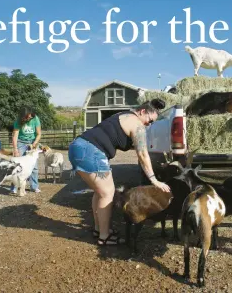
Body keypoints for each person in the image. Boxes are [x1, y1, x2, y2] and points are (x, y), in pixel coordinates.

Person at [68, 99, 171, 246]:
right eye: (149, 120)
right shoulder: (137, 125)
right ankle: (104, 236)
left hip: (78, 147)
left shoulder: (123, 115)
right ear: (142, 112)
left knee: (100, 192)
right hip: (91, 151)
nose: (149, 124)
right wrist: (154, 179)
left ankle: (99, 229)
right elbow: (142, 154)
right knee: (107, 193)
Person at [11, 106, 42, 193]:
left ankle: (34, 186)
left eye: (30, 116)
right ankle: (14, 187)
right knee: (17, 165)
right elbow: (15, 136)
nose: (29, 118)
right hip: (21, 142)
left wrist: (34, 143)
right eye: (28, 117)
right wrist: (15, 149)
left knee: (34, 166)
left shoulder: (35, 118)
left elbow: (39, 134)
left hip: (33, 141)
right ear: (23, 116)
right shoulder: (18, 121)